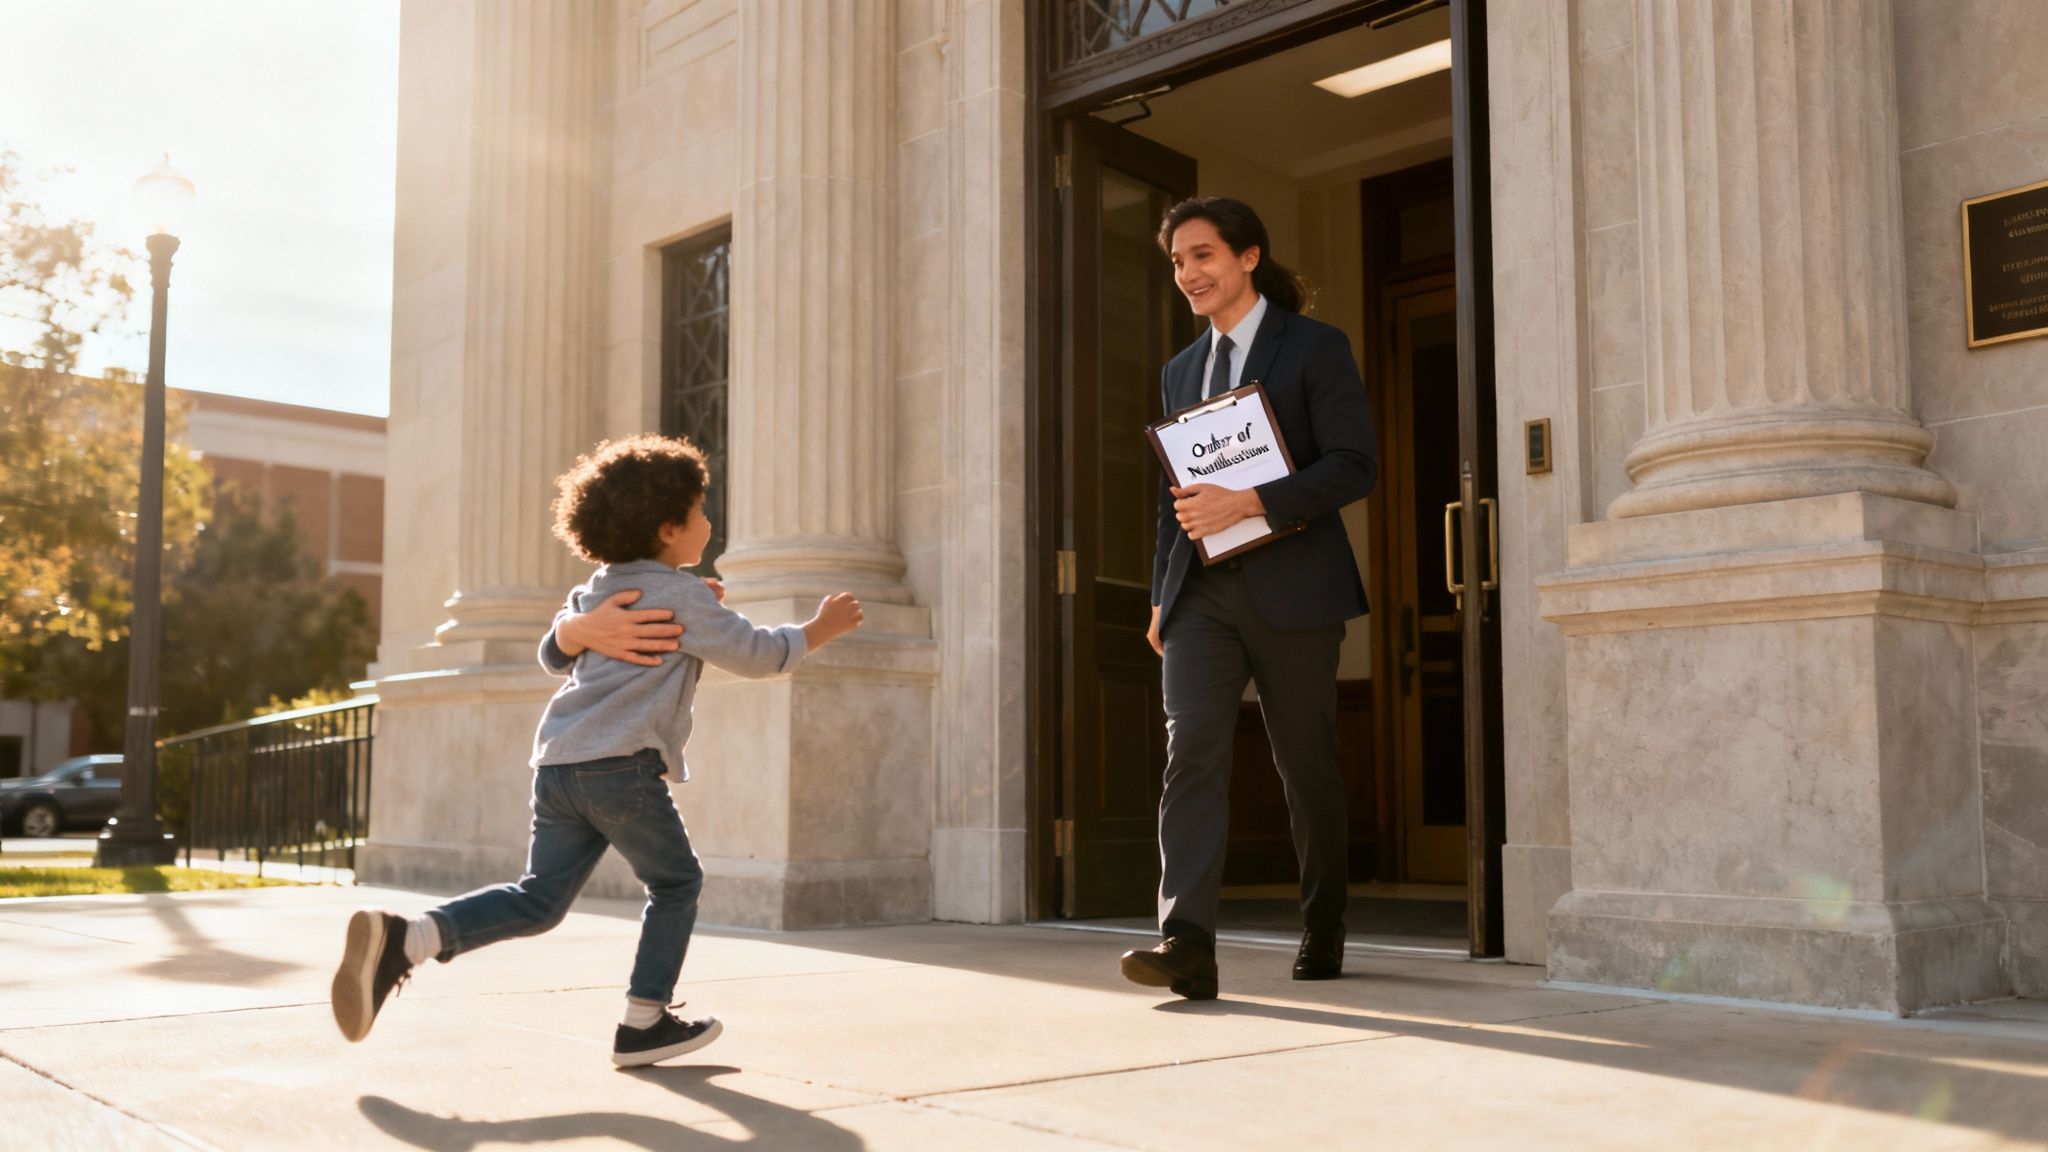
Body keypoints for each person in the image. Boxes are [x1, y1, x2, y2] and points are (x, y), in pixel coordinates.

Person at [330, 434, 865, 1066]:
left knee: (538, 900)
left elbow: (555, 654)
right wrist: (818, 630)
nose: (710, 523)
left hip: (559, 765)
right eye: (700, 511)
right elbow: (759, 656)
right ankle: (644, 1023)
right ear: (669, 529)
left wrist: (660, 613)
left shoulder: (600, 586)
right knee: (677, 883)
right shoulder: (683, 594)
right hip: (621, 769)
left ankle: (409, 937)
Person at [1119, 196, 1377, 1001]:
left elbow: (1353, 465)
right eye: (1177, 262)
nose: (1187, 274)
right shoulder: (1180, 368)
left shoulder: (1314, 347)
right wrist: (1164, 594)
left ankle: (1323, 921)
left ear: (1248, 257)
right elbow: (1177, 497)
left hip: (1296, 588)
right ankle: (1186, 941)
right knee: (1191, 748)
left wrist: (1254, 500)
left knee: (1305, 765)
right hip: (1202, 596)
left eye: (1202, 256)